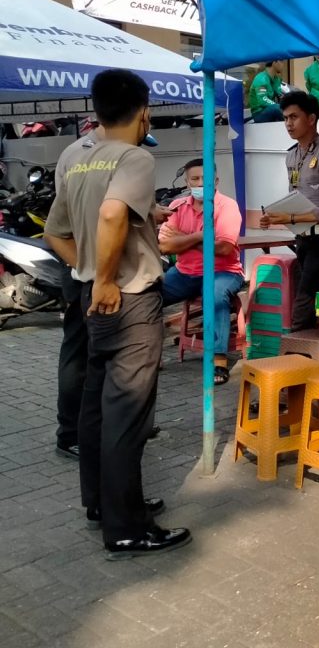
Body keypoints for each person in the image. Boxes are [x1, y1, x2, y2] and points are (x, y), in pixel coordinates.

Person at [43, 69, 191, 560]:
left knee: (95, 407)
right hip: (128, 300)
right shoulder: (134, 158)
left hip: (94, 299)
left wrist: (87, 270)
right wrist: (106, 278)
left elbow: (54, 234)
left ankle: (102, 504)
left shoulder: (79, 160)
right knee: (128, 414)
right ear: (144, 110)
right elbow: (110, 215)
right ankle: (128, 527)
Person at [259, 91, 319, 330]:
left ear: (311, 119)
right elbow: (296, 198)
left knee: (304, 299)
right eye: (285, 118)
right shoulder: (291, 156)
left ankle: (295, 354)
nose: (288, 123)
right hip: (304, 239)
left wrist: (291, 217)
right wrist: (275, 217)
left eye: (294, 117)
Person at [159, 158, 245, 386]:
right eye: (194, 179)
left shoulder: (227, 207)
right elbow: (165, 246)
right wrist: (201, 237)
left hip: (224, 271)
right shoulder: (177, 207)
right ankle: (149, 352)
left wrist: (184, 239)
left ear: (216, 180)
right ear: (187, 182)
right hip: (185, 272)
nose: (200, 183)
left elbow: (224, 248)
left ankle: (219, 362)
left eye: (205, 179)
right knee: (148, 294)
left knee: (215, 296)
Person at [55, 265, 86, 459]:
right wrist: (85, 266)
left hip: (93, 276)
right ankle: (69, 436)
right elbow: (54, 236)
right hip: (82, 279)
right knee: (76, 355)